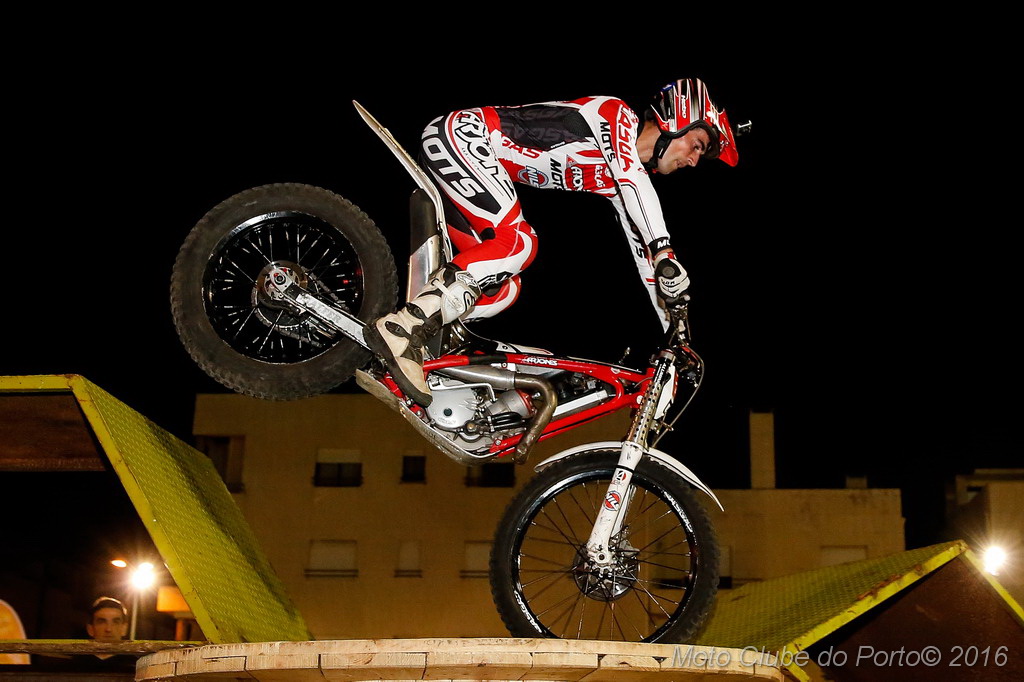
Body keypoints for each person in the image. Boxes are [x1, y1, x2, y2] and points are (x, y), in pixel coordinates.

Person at [365, 78, 741, 407]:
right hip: (464, 137)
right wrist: (665, 250)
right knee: (519, 243)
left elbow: (647, 267)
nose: (694, 161)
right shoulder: (616, 116)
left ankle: (414, 349)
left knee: (502, 288)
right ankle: (403, 330)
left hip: (463, 154)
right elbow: (636, 187)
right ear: (676, 120)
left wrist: (676, 340)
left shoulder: (618, 182)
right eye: (697, 145)